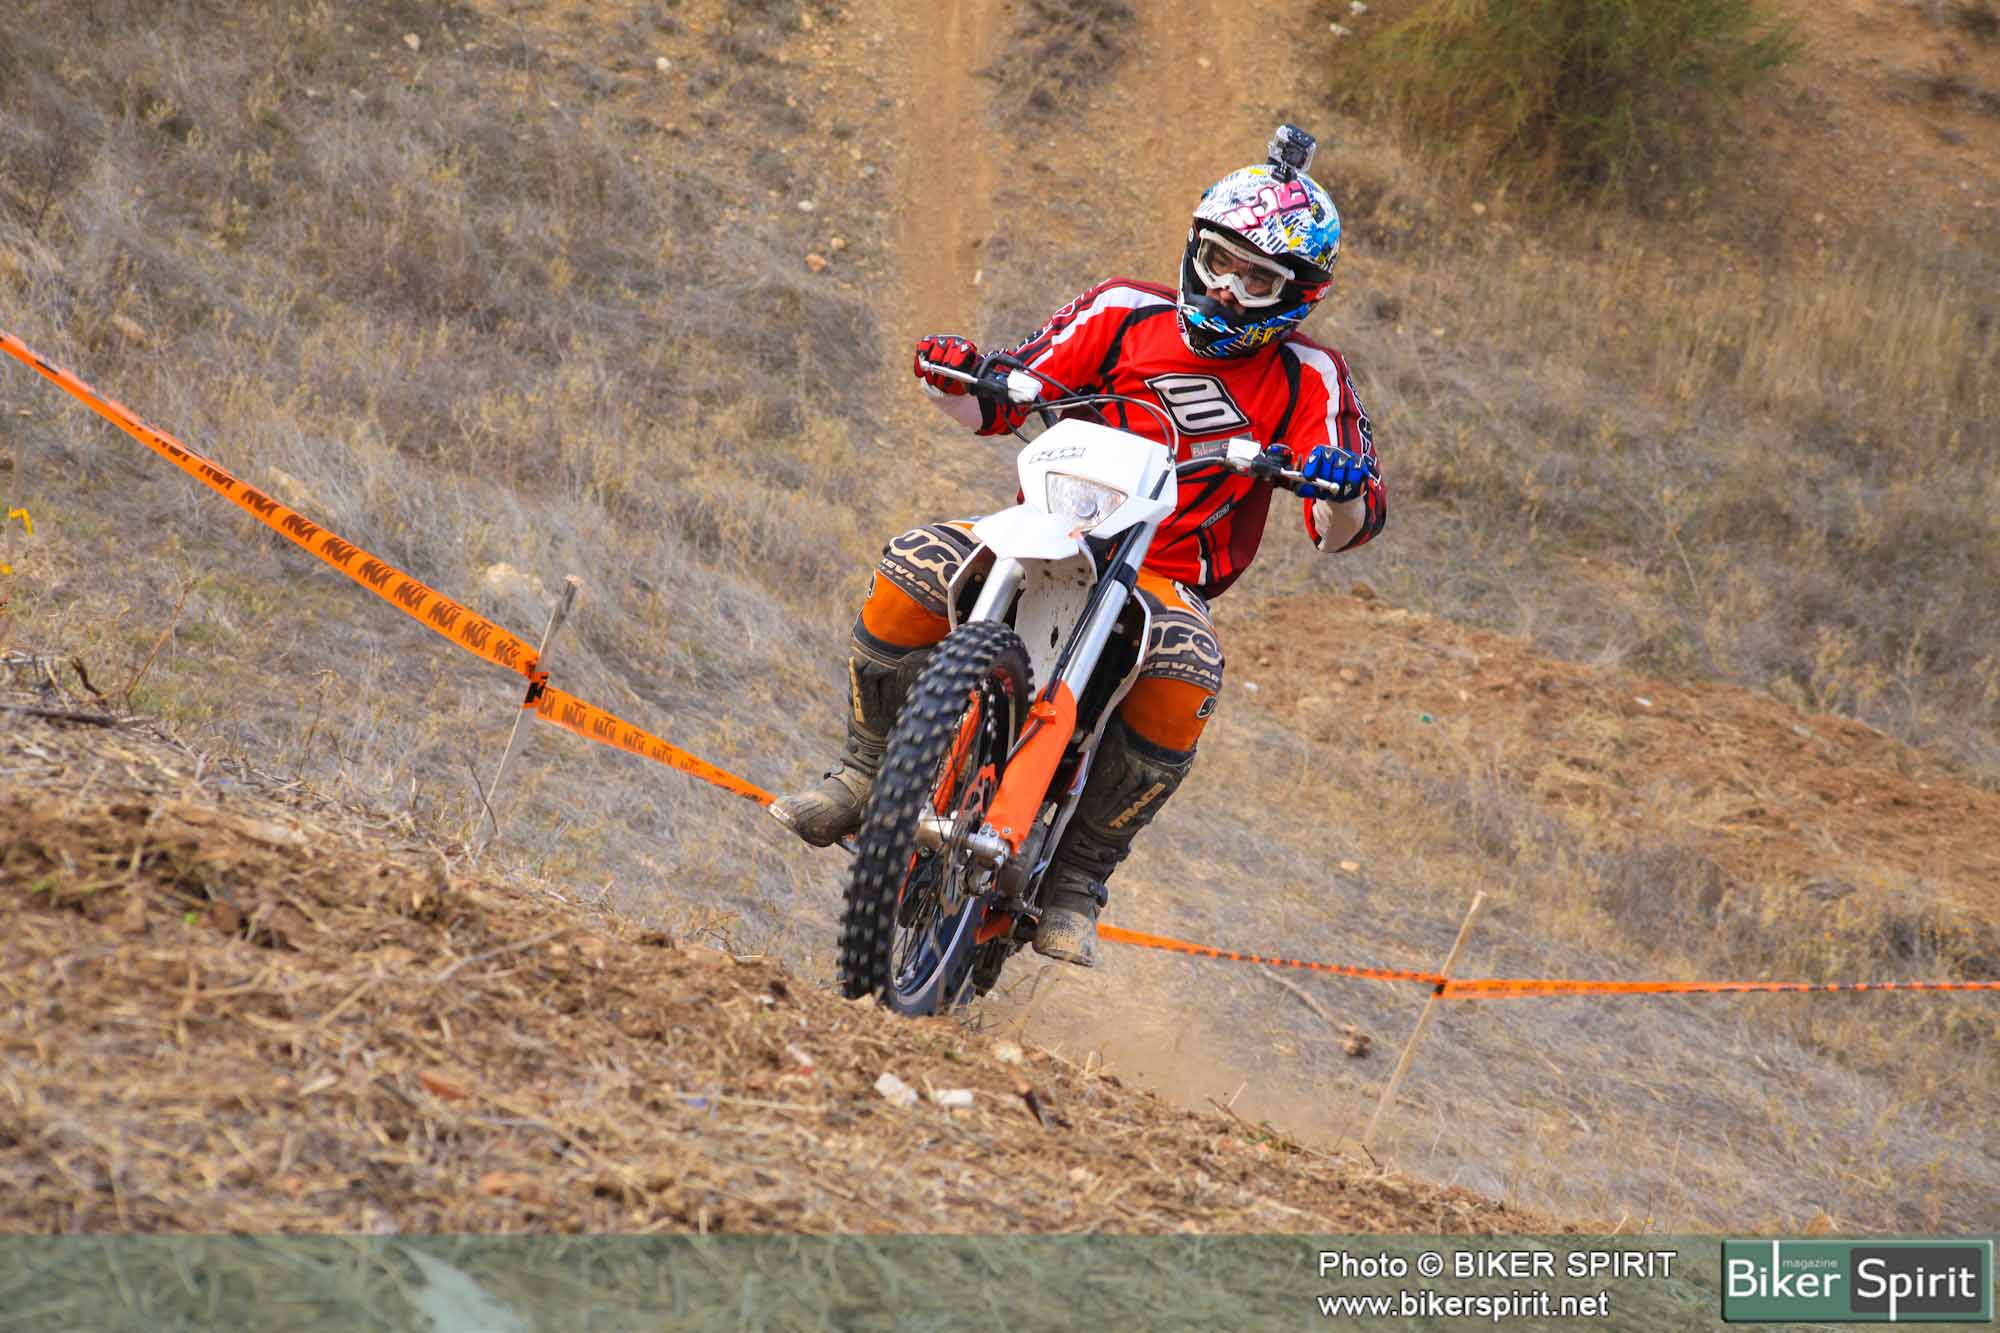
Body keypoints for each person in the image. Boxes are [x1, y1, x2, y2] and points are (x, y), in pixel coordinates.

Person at [771, 125, 1384, 967]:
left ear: (1296, 294)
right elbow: (1011, 396)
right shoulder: (1123, 309)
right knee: (913, 564)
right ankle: (860, 770)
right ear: (1194, 247)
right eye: (1217, 260)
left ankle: (1080, 878)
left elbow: (1339, 528)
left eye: (1257, 278)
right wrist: (954, 377)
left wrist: (1337, 484)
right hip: (1049, 529)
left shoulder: (1312, 376)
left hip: (1163, 573)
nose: (1226, 289)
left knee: (1187, 670)